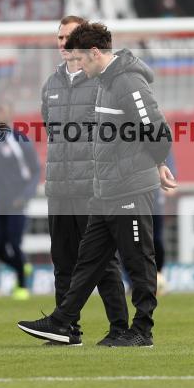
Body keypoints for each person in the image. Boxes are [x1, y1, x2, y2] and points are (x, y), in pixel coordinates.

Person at [18, 22, 177, 348]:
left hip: (130, 187)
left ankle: (142, 330)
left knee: (138, 260)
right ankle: (63, 322)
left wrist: (154, 164)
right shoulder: (104, 81)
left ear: (94, 53)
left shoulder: (127, 81)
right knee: (88, 260)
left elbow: (157, 130)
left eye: (83, 59)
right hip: (106, 190)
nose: (80, 66)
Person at [40, 15, 130, 346]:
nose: (63, 43)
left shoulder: (103, 82)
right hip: (59, 189)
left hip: (92, 189)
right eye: (59, 37)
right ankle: (67, 329)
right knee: (62, 261)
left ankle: (120, 327)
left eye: (69, 37)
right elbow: (51, 130)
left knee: (103, 262)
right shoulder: (50, 84)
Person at [0, 103, 41, 301]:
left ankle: (22, 285)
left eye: (3, 112)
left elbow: (36, 171)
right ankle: (20, 266)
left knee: (14, 244)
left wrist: (24, 196)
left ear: (10, 116)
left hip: (15, 203)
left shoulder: (21, 141)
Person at [152, 151, 175, 294]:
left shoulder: (161, 146)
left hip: (154, 201)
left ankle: (158, 275)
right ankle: (134, 282)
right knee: (132, 240)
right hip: (132, 200)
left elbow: (170, 171)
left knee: (156, 240)